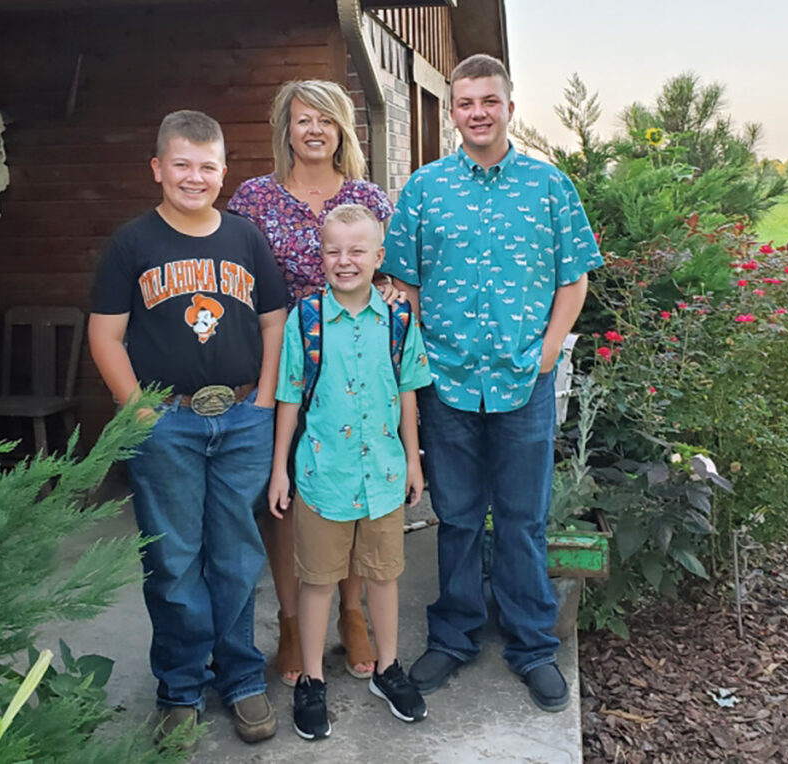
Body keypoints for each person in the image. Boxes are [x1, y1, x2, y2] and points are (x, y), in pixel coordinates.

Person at [381, 54, 604, 713]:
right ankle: (453, 635)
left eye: (489, 100)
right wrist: (418, 358)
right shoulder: (424, 189)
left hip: (522, 383)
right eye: (465, 101)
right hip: (446, 382)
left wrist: (548, 351)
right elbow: (405, 284)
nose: (477, 111)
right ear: (451, 110)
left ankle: (532, 645)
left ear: (510, 105)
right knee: (453, 517)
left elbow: (575, 278)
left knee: (522, 518)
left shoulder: (548, 186)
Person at [88, 109, 287, 745]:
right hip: (166, 418)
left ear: (224, 172)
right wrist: (137, 410)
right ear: (157, 169)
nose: (194, 177)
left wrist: (264, 400)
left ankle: (240, 679)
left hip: (240, 416)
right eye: (181, 165)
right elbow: (106, 334)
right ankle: (178, 686)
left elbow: (274, 321)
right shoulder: (133, 244)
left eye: (206, 167)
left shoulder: (245, 239)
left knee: (236, 554)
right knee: (173, 560)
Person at [228, 79, 394, 686]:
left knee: (348, 485)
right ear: (286, 129)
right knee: (287, 497)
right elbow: (231, 279)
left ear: (342, 129)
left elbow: (391, 277)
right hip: (281, 362)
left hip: (351, 367)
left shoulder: (368, 196)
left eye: (326, 119)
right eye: (302, 120)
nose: (314, 130)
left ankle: (352, 613)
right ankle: (294, 621)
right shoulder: (254, 200)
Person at [268, 203, 431, 739]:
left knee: (383, 576)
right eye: (333, 251)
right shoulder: (306, 319)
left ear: (378, 257)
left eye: (357, 251)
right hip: (322, 476)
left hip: (383, 476)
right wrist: (280, 471)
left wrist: (412, 459)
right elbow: (289, 395)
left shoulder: (399, 317)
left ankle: (388, 668)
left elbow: (408, 393)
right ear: (320, 257)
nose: (345, 261)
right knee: (317, 581)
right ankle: (311, 680)